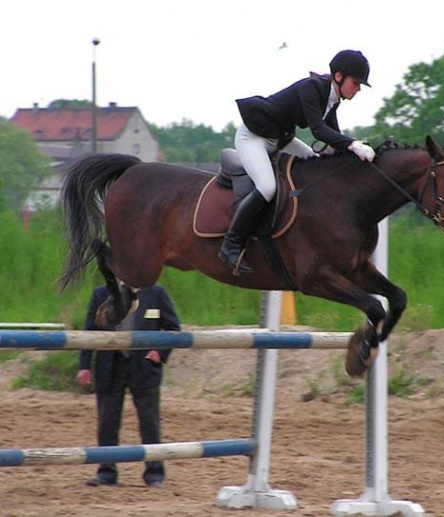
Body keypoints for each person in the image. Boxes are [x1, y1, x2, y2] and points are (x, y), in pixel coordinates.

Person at [218, 49, 376, 274]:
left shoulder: (332, 98)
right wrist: (353, 145)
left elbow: (334, 134)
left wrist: (351, 154)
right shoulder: (312, 88)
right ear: (338, 77)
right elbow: (319, 130)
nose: (358, 89)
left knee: (315, 162)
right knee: (267, 187)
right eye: (356, 82)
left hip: (280, 140)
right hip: (253, 138)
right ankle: (230, 244)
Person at [77, 284, 181, 488]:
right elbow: (89, 331)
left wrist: (161, 353)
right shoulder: (100, 293)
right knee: (107, 423)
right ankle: (106, 472)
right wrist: (84, 366)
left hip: (144, 367)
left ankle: (154, 474)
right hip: (109, 366)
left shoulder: (156, 293)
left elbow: (173, 328)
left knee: (149, 423)